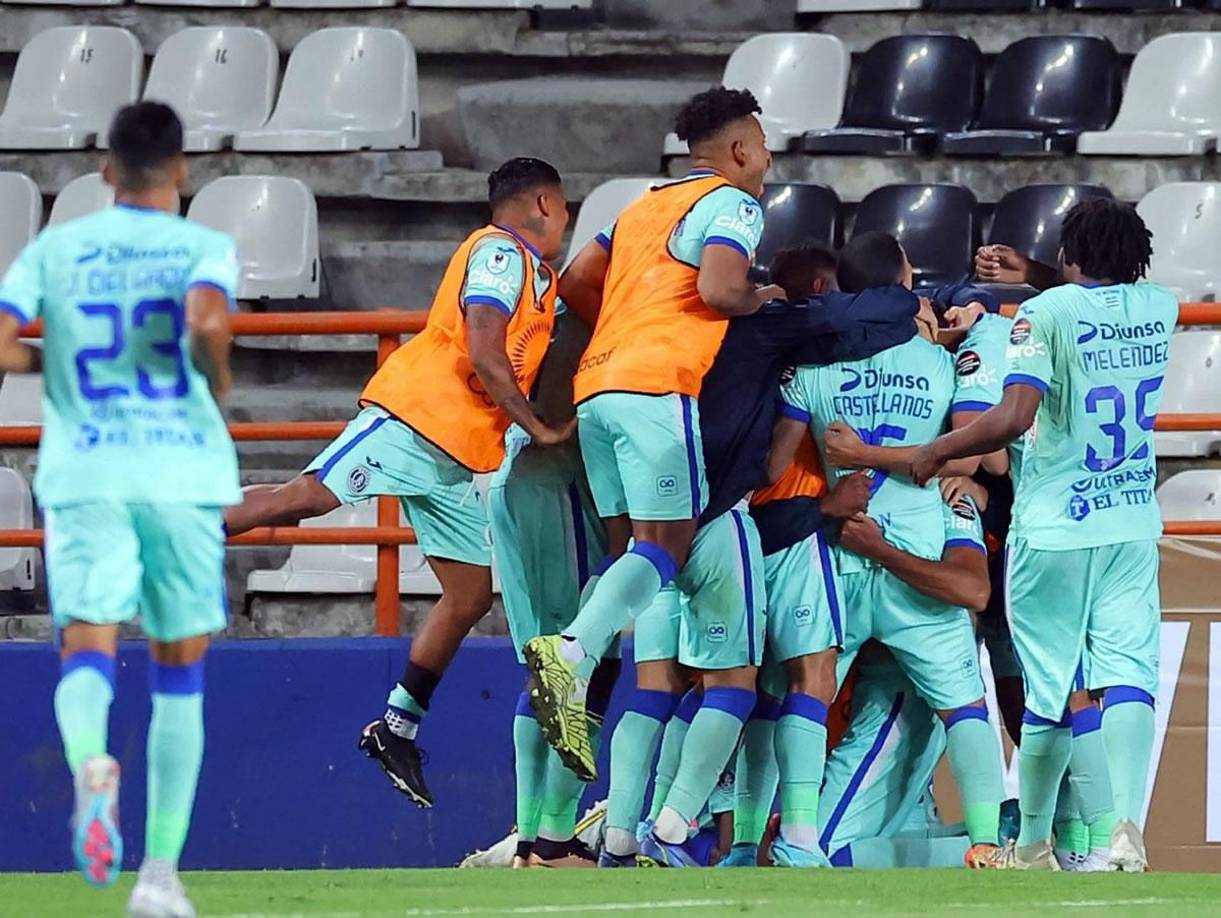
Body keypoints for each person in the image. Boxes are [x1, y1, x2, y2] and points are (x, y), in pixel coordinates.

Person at [224, 158, 573, 808]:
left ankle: (395, 728)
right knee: (306, 497)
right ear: (545, 204)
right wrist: (539, 427)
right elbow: (484, 349)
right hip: (414, 420)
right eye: (565, 212)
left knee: (467, 595)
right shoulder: (500, 256)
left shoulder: (539, 277)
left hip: (453, 454)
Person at [599, 240, 919, 867]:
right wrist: (822, 507)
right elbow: (773, 465)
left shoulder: (685, 337)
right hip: (754, 533)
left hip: (666, 519)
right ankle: (722, 834)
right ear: (821, 292)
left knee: (660, 687)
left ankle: (626, 833)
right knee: (767, 684)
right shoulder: (788, 350)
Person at [0, 101, 238, 917]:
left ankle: (91, 765)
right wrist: (216, 372)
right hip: (179, 473)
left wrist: (47, 353)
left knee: (85, 648)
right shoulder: (202, 245)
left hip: (86, 471)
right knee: (180, 672)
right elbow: (207, 318)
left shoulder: (58, 247)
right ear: (180, 171)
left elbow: (1, 340)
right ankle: (160, 878)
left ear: (105, 171)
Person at [523, 87, 783, 781]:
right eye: (761, 145)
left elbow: (576, 280)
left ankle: (570, 675)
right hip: (654, 386)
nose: (767, 158)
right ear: (737, 151)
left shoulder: (640, 207)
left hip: (598, 386)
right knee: (667, 542)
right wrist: (763, 298)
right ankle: (571, 655)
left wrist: (623, 326)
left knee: (626, 553)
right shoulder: (733, 203)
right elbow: (721, 290)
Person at [912, 198, 1175, 871]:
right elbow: (1100, 295)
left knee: (1050, 685)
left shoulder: (1042, 314)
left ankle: (1030, 841)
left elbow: (1011, 416)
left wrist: (938, 450)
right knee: (1129, 674)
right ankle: (1124, 826)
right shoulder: (1159, 306)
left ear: (1069, 256)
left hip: (1054, 523)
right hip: (1129, 521)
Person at [769, 232, 1006, 869]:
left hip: (839, 549)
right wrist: (972, 319)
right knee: (963, 706)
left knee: (806, 692)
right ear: (906, 285)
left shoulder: (810, 369)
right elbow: (970, 451)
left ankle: (793, 841)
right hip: (921, 545)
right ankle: (986, 842)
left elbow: (770, 464)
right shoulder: (939, 360)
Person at [819, 489, 992, 869]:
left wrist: (881, 552)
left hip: (902, 698)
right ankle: (1012, 831)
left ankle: (1013, 848)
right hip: (871, 696)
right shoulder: (839, 489)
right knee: (889, 836)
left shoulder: (948, 494)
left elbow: (973, 589)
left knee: (819, 853)